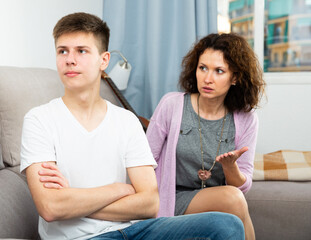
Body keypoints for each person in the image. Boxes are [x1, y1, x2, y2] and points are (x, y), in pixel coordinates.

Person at [20, 13, 245, 240]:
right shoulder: (39, 120)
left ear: (104, 60)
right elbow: (50, 208)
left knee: (225, 225)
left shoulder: (126, 121)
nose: (70, 59)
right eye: (62, 51)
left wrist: (73, 201)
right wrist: (118, 190)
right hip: (83, 238)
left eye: (81, 50)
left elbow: (149, 203)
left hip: (135, 231)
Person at [146, 32, 266, 240]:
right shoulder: (172, 105)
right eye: (203, 68)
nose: (207, 79)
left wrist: (230, 167)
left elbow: (243, 185)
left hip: (217, 199)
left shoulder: (246, 118)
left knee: (234, 198)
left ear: (235, 77)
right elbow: (146, 160)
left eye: (219, 71)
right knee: (233, 199)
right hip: (171, 198)